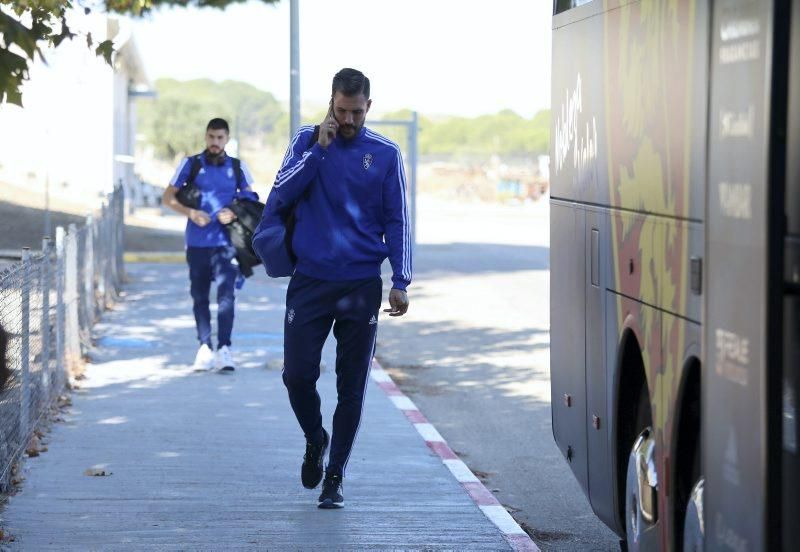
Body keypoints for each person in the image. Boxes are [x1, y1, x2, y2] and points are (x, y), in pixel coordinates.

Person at [269, 68, 411, 509]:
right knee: (296, 376)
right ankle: (316, 437)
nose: (347, 119)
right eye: (340, 110)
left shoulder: (386, 154)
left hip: (361, 285)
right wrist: (318, 152)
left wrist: (401, 280)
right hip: (310, 280)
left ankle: (335, 476)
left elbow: (397, 220)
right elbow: (279, 197)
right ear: (330, 102)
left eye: (356, 111)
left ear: (369, 105)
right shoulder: (305, 141)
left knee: (352, 386)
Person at [162, 118, 256, 372]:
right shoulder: (191, 164)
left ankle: (225, 349)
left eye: (220, 138)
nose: (215, 142)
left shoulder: (238, 167)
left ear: (227, 139)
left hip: (227, 244)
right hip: (197, 243)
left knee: (227, 296)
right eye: (211, 137)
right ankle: (204, 348)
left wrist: (233, 211)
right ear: (206, 137)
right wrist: (190, 213)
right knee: (199, 296)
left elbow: (251, 200)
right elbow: (167, 197)